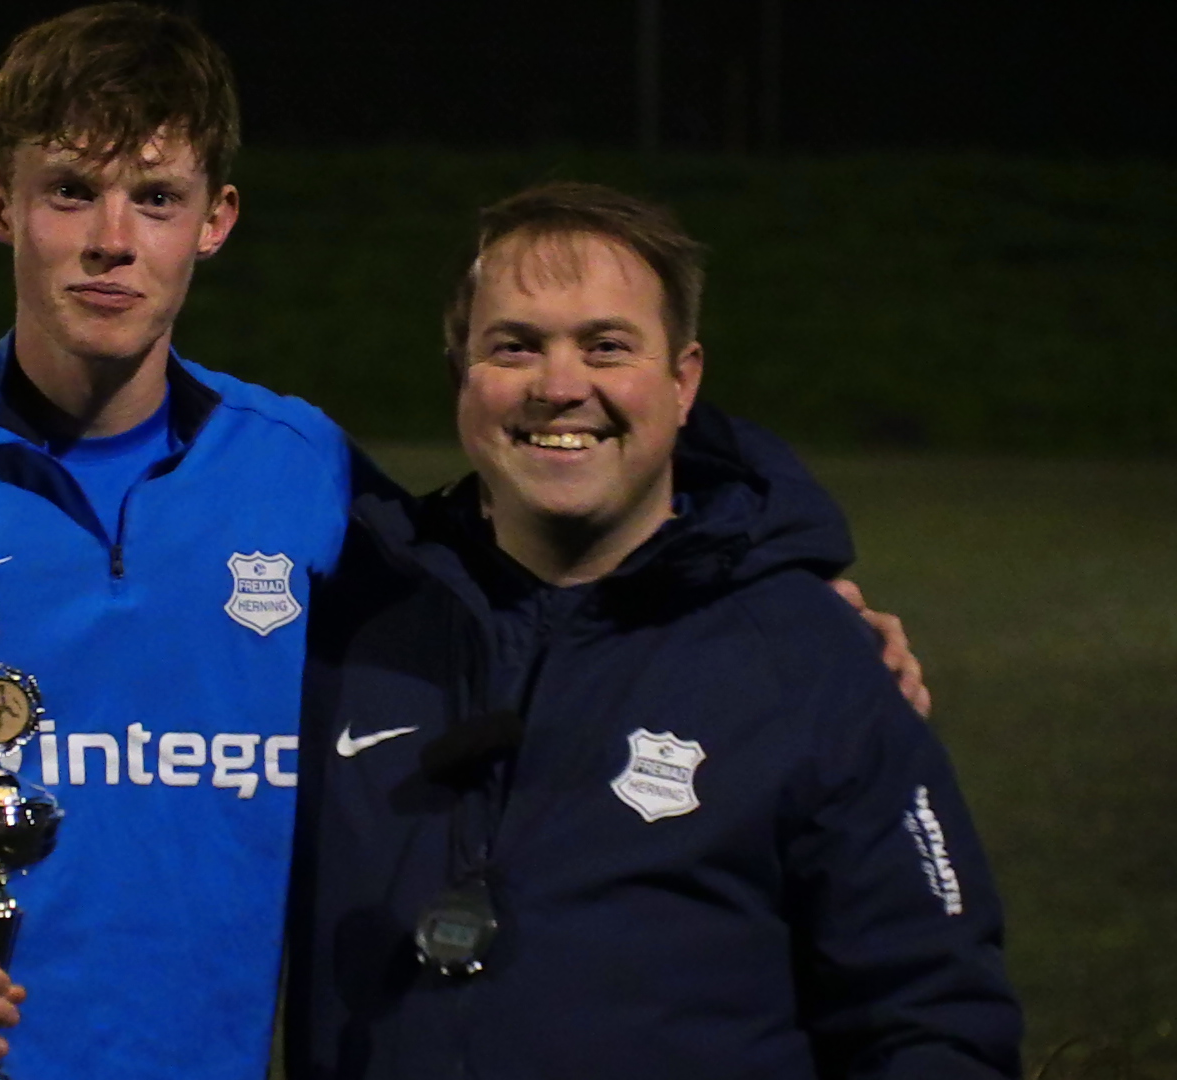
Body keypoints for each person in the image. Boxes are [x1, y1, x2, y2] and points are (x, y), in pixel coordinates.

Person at [0, 7, 929, 1080]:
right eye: (70, 192)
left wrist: (790, 582)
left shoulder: (297, 469)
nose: (111, 241)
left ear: (217, 219)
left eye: (155, 196)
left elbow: (531, 567)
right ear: (0, 204)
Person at [286, 181, 1022, 1079]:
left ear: (684, 379)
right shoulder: (347, 629)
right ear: (460, 377)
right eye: (515, 346)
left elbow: (932, 1017)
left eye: (606, 346)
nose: (561, 388)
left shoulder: (811, 659)